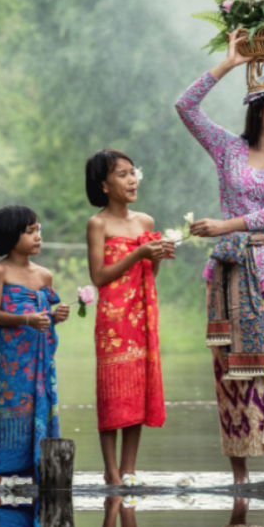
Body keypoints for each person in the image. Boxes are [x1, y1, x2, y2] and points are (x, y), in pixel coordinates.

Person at [175, 28, 264, 484]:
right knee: (233, 374)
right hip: (232, 276)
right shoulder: (227, 148)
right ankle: (239, 476)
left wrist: (224, 226)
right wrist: (227, 65)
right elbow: (185, 107)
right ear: (260, 108)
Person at [85, 149, 175, 486]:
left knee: (137, 390)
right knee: (112, 392)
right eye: (122, 174)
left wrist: (159, 255)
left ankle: (130, 469)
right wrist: (138, 251)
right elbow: (99, 276)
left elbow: (149, 272)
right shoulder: (98, 224)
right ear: (104, 185)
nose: (132, 179)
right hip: (112, 320)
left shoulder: (145, 221)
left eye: (132, 172)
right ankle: (111, 472)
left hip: (141, 316)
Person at [0, 205, 69, 485]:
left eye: (39, 230)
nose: (38, 237)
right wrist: (26, 319)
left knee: (42, 405)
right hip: (14, 360)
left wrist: (55, 317)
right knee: (12, 408)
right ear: (11, 236)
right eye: (30, 231)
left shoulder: (44, 276)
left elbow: (44, 317)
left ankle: (43, 472)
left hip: (42, 357)